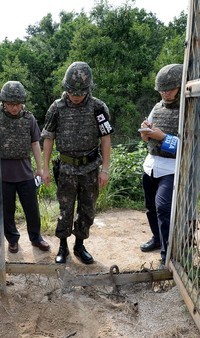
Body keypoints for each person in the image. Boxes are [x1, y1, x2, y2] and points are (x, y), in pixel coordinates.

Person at [41, 61, 113, 265]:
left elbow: (106, 138)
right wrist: (45, 168)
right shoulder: (57, 107)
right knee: (65, 208)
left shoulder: (98, 107)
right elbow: (48, 137)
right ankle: (63, 246)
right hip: (66, 168)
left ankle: (80, 245)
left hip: (90, 168)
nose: (76, 96)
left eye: (81, 93)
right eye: (72, 92)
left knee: (87, 208)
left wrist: (105, 169)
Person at [0, 81, 50, 253]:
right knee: (7, 210)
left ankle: (36, 237)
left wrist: (40, 168)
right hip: (3, 174)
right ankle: (12, 239)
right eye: (10, 104)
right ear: (3, 102)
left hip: (24, 172)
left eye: (17, 104)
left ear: (22, 102)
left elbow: (35, 143)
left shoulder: (28, 119)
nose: (14, 108)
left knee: (31, 208)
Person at [138, 63, 182, 266]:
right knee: (150, 208)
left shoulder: (187, 110)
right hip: (152, 164)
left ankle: (167, 255)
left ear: (180, 86)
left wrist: (163, 137)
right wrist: (146, 131)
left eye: (170, 88)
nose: (165, 93)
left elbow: (190, 144)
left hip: (172, 167)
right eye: (162, 89)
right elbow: (147, 138)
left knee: (163, 208)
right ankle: (157, 239)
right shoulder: (157, 107)